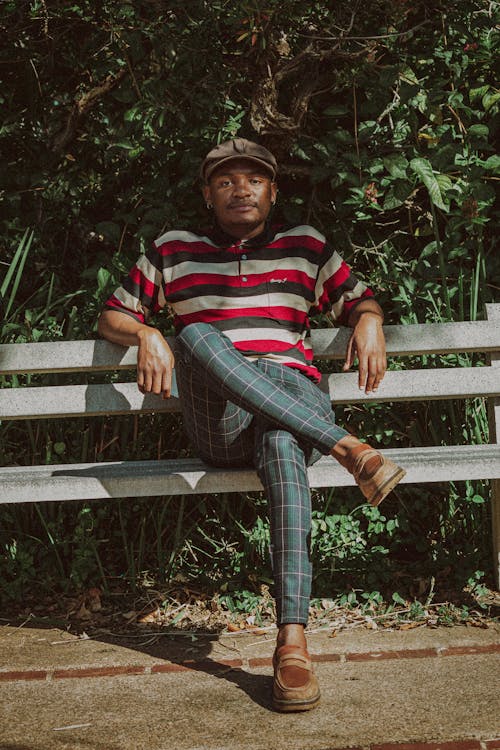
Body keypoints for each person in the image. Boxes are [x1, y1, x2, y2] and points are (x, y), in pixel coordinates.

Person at [98, 138, 406, 712]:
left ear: (272, 190)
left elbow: (360, 300)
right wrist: (144, 333)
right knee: (196, 333)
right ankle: (349, 447)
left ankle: (292, 642)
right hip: (219, 421)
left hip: (288, 409)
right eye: (225, 181)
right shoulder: (172, 249)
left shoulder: (307, 247)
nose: (240, 189)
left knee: (285, 441)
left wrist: (370, 322)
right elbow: (113, 312)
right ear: (208, 195)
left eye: (254, 180)